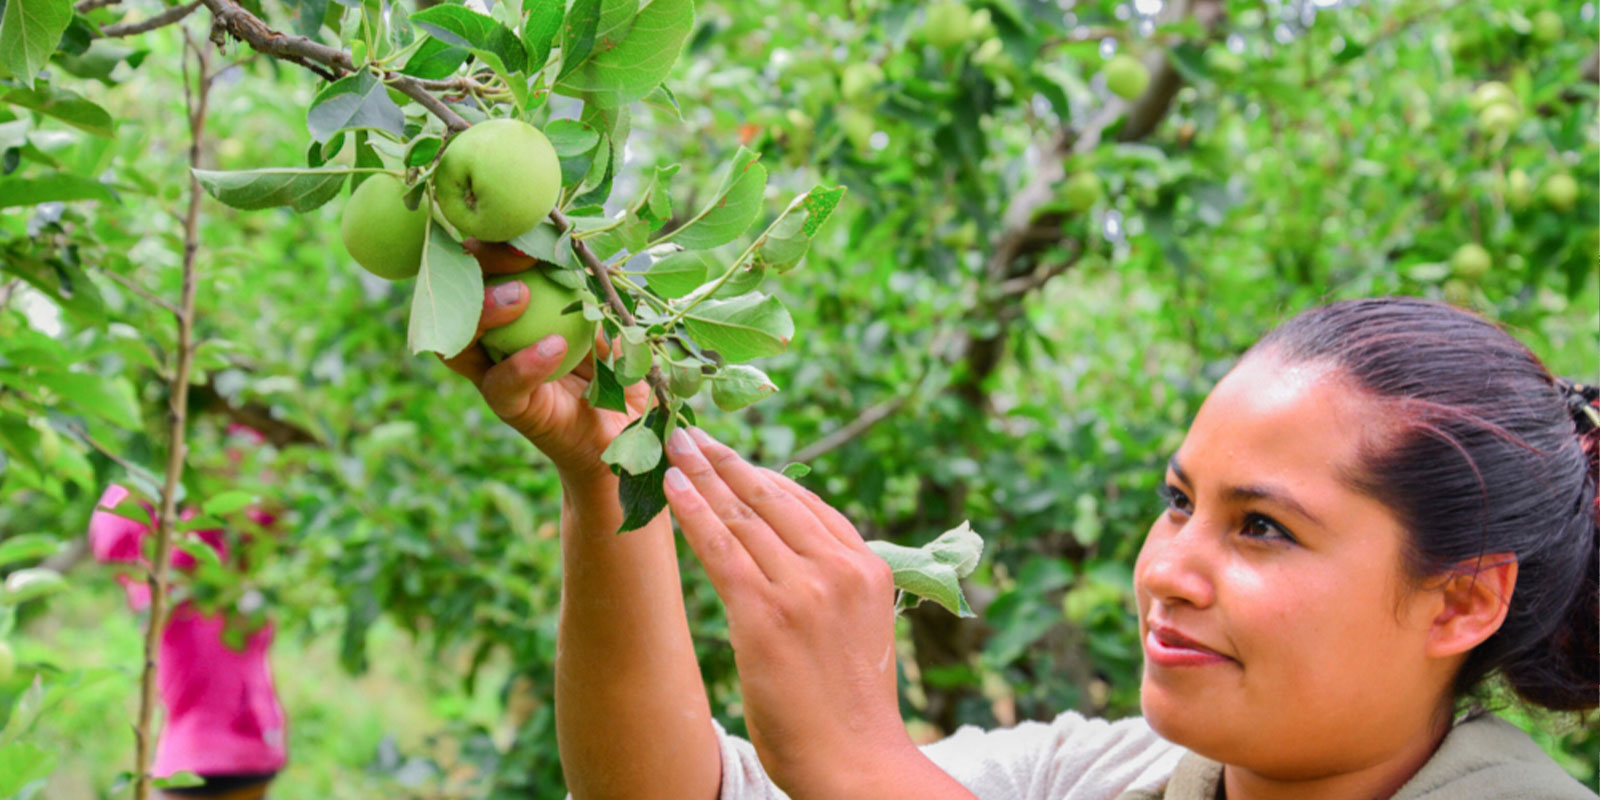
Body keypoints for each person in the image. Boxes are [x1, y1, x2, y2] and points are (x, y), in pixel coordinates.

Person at [446, 249, 1596, 800]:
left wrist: (857, 760)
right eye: (1179, 501)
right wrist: (608, 479)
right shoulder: (1112, 772)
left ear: (1460, 598)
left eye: (1262, 528)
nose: (1170, 568)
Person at [88, 425, 287, 800]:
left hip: (227, 753)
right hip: (220, 754)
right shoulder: (166, 581)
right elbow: (116, 528)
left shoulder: (217, 570)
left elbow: (266, 509)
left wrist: (230, 429)